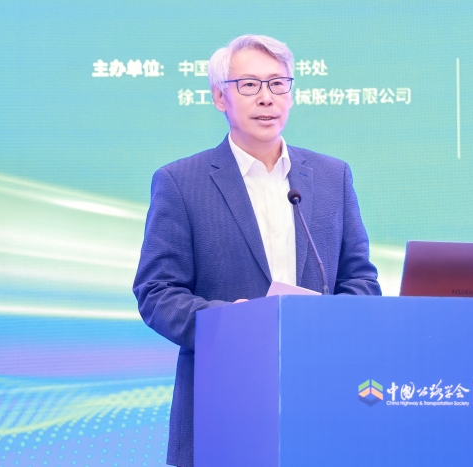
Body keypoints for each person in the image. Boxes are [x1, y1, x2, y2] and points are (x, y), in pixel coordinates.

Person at [132, 34, 381, 467]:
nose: (266, 97)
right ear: (219, 97)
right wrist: (227, 323)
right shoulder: (180, 182)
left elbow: (361, 281)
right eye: (249, 85)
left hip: (321, 397)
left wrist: (329, 323)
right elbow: (156, 293)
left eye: (278, 84)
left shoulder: (332, 176)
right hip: (222, 401)